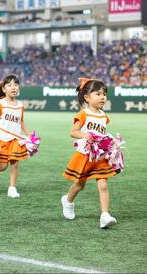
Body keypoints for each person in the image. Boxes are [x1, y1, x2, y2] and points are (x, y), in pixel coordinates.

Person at [61, 78, 118, 229]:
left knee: (103, 185)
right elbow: (73, 132)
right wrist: (85, 136)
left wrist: (111, 143)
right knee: (79, 185)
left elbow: (102, 134)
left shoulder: (104, 116)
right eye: (98, 94)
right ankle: (68, 201)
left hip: (100, 156)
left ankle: (104, 215)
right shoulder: (83, 114)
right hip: (85, 155)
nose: (102, 97)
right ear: (87, 97)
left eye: (104, 94)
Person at [0, 75, 31, 198]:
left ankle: (12, 188)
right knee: (3, 166)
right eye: (9, 85)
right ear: (4, 89)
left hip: (15, 139)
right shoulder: (1, 104)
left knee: (15, 163)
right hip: (1, 138)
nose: (13, 87)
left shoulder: (20, 105)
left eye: (15, 84)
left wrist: (29, 136)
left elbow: (21, 122)